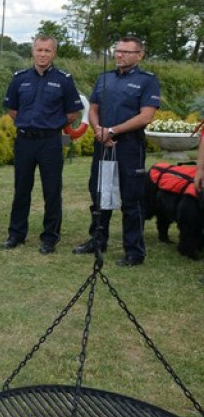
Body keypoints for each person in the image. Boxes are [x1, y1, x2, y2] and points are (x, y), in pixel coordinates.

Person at [73, 35, 160, 266]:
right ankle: (97, 239)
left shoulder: (147, 81)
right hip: (103, 144)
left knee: (132, 199)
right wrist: (99, 129)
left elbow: (146, 115)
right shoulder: (104, 78)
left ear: (139, 55)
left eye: (126, 52)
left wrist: (113, 130)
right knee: (99, 193)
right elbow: (93, 108)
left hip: (129, 146)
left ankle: (134, 251)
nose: (119, 55)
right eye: (117, 50)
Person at [2, 34, 84, 254]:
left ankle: (50, 237)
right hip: (25, 141)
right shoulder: (19, 78)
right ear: (32, 51)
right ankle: (16, 235)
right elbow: (12, 109)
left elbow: (72, 112)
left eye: (47, 50)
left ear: (54, 53)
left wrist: (50, 124)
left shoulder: (64, 79)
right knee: (21, 189)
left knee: (52, 190)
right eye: (39, 50)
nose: (42, 54)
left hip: (50, 141)